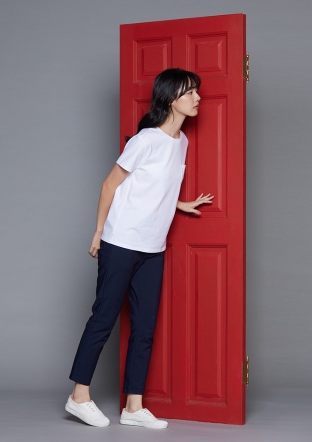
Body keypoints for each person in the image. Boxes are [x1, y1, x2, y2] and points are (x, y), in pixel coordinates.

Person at [65, 68, 214, 429]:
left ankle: (134, 406)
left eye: (197, 91)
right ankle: (78, 396)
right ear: (170, 99)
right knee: (104, 318)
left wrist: (180, 204)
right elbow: (109, 185)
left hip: (153, 246)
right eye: (190, 92)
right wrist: (98, 232)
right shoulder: (145, 140)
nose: (197, 98)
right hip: (121, 241)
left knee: (145, 326)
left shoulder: (182, 141)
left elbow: (155, 185)